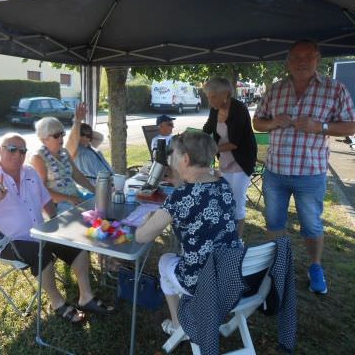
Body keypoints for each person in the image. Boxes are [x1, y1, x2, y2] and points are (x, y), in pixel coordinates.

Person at [0, 132, 115, 323]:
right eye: (12, 149)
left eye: (22, 150)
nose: (18, 154)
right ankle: (57, 302)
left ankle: (86, 296)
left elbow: (46, 201)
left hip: (40, 232)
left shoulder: (29, 172)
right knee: (40, 252)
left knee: (75, 241)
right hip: (8, 241)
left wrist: (57, 224)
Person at [253, 39, 355, 295]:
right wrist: (273, 122)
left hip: (310, 174)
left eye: (308, 56)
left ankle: (315, 266)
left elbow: (351, 125)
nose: (302, 61)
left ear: (318, 59)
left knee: (312, 225)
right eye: (296, 57)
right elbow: (258, 123)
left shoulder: (335, 89)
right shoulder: (275, 90)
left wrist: (319, 127)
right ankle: (278, 265)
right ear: (288, 61)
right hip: (275, 171)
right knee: (274, 223)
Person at [135, 131, 243, 338]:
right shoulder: (223, 185)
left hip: (201, 282)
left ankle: (178, 326)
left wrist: (147, 220)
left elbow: (142, 237)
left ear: (185, 159)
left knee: (165, 260)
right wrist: (177, 179)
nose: (170, 159)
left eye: (173, 154)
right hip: (232, 274)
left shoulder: (180, 197)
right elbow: (197, 193)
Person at [202, 76, 257, 236]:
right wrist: (193, 139)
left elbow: (234, 143)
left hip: (242, 161)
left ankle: (236, 241)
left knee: (237, 202)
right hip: (225, 160)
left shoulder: (239, 109)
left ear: (225, 94)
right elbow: (207, 128)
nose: (210, 101)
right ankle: (226, 233)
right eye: (208, 97)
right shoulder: (214, 109)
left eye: (212, 97)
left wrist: (208, 151)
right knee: (225, 198)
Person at [30, 117, 96, 212]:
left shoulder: (64, 152)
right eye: (56, 135)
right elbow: (41, 190)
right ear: (44, 139)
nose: (61, 138)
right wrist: (68, 198)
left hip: (75, 197)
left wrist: (95, 190)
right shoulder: (38, 158)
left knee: (101, 203)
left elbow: (77, 175)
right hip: (58, 205)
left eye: (62, 134)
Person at [66, 102, 113, 184]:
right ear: (77, 134)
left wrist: (87, 131)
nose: (85, 137)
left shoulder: (89, 146)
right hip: (96, 186)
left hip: (109, 182)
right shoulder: (75, 150)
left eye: (88, 135)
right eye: (82, 134)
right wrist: (78, 122)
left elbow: (100, 137)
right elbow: (71, 142)